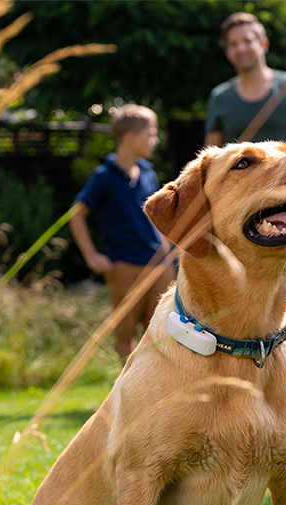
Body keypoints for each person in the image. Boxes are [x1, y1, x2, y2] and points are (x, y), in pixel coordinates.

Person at [203, 11, 286, 401]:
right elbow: (210, 159)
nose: (241, 48)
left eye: (248, 40)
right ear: (227, 53)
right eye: (233, 43)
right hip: (244, 214)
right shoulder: (221, 97)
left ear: (263, 43)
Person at [70, 104, 176, 360]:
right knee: (126, 334)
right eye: (151, 134)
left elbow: (155, 217)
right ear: (131, 138)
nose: (155, 140)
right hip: (124, 266)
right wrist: (91, 255)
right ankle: (128, 393)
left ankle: (159, 391)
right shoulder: (104, 177)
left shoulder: (148, 173)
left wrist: (167, 252)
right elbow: (76, 214)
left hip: (159, 266)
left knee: (162, 332)